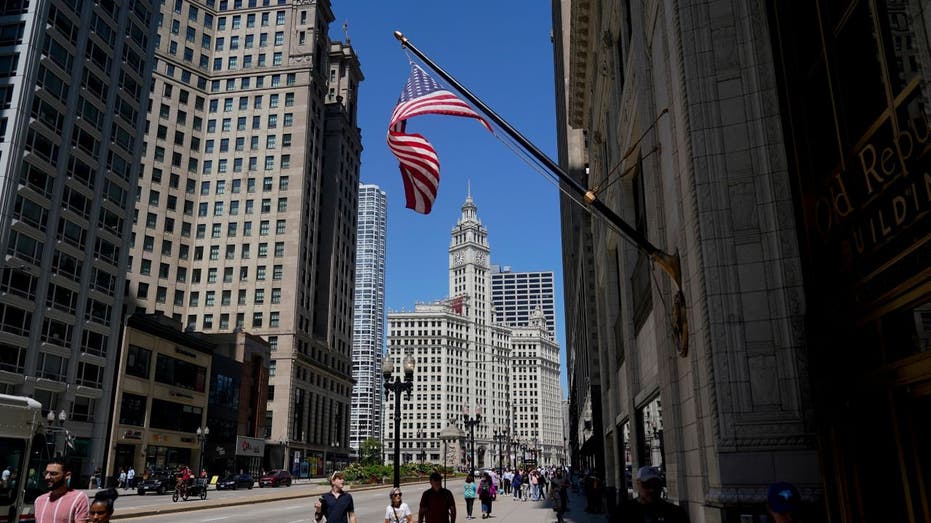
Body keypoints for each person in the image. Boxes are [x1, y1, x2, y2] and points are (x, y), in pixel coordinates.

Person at [615, 466, 689, 523]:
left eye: (656, 485)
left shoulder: (675, 513)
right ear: (638, 483)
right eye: (647, 485)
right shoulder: (623, 512)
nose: (652, 490)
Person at [35, 458, 89, 523]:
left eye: (53, 473)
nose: (47, 477)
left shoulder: (79, 498)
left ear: (67, 475)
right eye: (46, 473)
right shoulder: (39, 500)